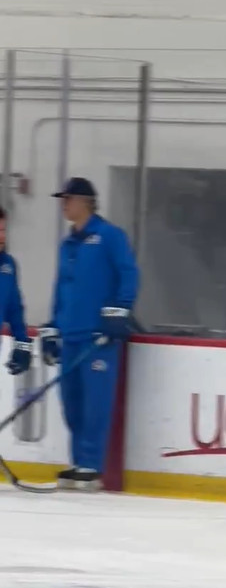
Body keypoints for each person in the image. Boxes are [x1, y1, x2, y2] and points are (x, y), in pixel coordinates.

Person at [41, 177, 140, 491]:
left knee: (96, 402)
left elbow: (128, 273)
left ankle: (91, 465)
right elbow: (62, 288)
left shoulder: (110, 236)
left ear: (84, 201)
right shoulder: (67, 244)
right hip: (71, 335)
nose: (63, 204)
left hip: (98, 338)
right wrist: (53, 327)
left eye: (67, 199)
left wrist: (119, 310)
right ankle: (78, 460)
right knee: (72, 402)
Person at [0, 206, 33, 378]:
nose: (2, 236)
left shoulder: (8, 266)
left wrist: (22, 343)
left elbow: (14, 309)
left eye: (3, 230)